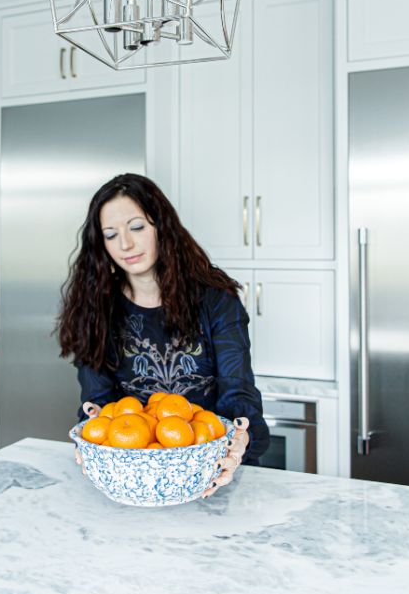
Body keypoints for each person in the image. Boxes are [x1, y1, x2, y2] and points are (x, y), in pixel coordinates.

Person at [57, 174, 269, 497]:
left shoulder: (216, 301)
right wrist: (93, 435)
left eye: (137, 227)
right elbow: (99, 405)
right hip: (135, 486)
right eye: (111, 235)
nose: (125, 244)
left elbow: (239, 396)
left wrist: (240, 441)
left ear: (162, 227)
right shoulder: (96, 309)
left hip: (215, 477)